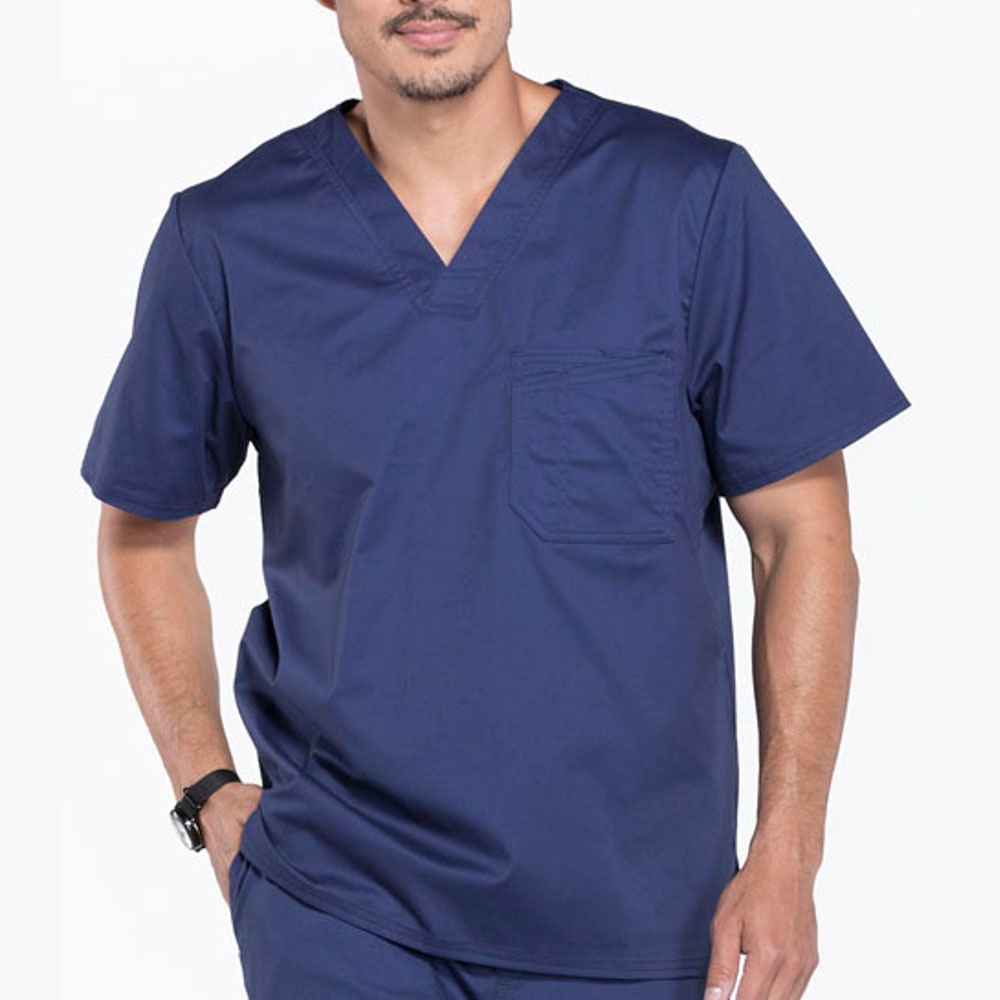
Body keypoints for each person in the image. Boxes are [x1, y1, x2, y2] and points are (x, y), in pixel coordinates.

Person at [79, 3, 912, 999]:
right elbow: (143, 531)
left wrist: (789, 852)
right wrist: (205, 789)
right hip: (339, 908)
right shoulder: (229, 236)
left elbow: (800, 533)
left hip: (636, 921)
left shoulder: (685, 198)